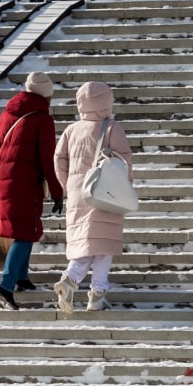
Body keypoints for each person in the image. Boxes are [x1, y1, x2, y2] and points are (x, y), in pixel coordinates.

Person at [53, 80, 134, 313]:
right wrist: (125, 184)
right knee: (103, 247)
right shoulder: (111, 127)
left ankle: (71, 280)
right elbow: (125, 159)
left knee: (86, 246)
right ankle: (95, 294)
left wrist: (68, 185)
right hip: (105, 194)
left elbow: (59, 160)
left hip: (79, 194)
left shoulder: (71, 129)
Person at [0, 71, 65, 310]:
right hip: (23, 181)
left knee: (24, 227)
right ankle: (5, 285)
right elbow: (47, 160)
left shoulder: (6, 114)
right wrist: (57, 191)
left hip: (2, 178)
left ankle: (21, 278)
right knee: (25, 232)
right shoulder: (42, 118)